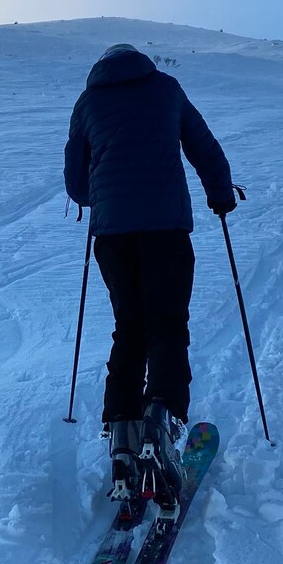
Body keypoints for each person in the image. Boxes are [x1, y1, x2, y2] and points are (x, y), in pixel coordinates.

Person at [64, 44, 237, 508]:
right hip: (165, 229)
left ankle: (122, 438)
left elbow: (76, 184)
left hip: (114, 236)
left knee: (130, 329)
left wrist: (101, 192)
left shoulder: (88, 102)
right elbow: (203, 146)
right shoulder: (166, 88)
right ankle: (161, 423)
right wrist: (221, 195)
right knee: (166, 325)